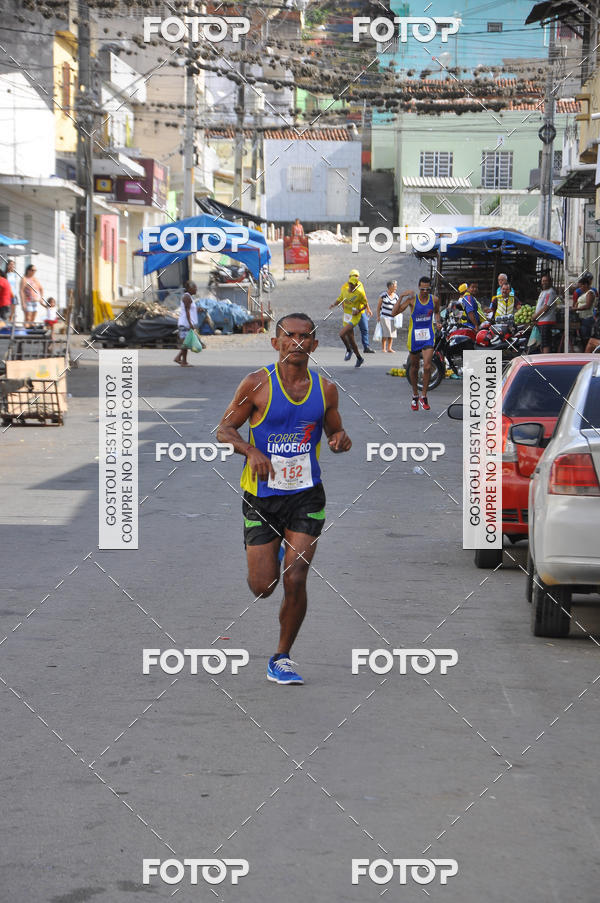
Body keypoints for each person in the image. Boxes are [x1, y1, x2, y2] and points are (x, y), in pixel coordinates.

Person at [216, 312, 352, 685]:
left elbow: (336, 431)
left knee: (297, 575)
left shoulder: (325, 390)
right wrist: (249, 450)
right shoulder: (257, 384)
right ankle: (274, 552)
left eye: (305, 336)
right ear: (275, 343)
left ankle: (282, 657)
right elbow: (224, 429)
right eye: (289, 336)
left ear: (315, 344)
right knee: (264, 587)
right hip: (262, 497)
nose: (297, 342)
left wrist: (340, 440)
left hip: (307, 495)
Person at [392, 275, 442, 411]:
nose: (425, 292)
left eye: (427, 289)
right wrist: (401, 296)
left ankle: (423, 396)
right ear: (419, 288)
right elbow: (393, 313)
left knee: (426, 367)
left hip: (428, 336)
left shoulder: (435, 300)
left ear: (430, 289)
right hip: (414, 337)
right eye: (423, 289)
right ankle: (415, 394)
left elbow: (437, 312)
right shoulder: (412, 301)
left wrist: (438, 322)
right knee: (414, 367)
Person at [329, 269, 369, 367]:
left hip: (355, 317)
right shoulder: (344, 290)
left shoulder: (359, 293)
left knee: (341, 334)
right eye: (349, 284)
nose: (350, 286)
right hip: (346, 316)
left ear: (355, 285)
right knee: (351, 340)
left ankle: (348, 350)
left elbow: (365, 304)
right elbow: (340, 298)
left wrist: (359, 311)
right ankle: (359, 358)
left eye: (352, 285)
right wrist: (334, 304)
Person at [174, 280, 199, 367]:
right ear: (189, 289)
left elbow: (191, 310)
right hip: (185, 324)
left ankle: (181, 359)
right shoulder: (186, 297)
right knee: (186, 343)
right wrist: (190, 324)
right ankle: (182, 360)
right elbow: (187, 312)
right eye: (194, 288)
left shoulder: (190, 297)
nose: (196, 290)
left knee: (186, 343)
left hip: (187, 323)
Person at [534, 274, 559, 354]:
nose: (544, 283)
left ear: (550, 282)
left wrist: (535, 316)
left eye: (546, 281)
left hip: (546, 321)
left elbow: (545, 308)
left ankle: (545, 359)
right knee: (542, 343)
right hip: (541, 321)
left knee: (545, 343)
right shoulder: (543, 292)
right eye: (542, 281)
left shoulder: (550, 292)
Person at [572, 273, 597, 346]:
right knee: (582, 336)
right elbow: (578, 302)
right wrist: (576, 305)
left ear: (586, 285)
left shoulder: (590, 293)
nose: (580, 288)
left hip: (587, 318)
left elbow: (588, 306)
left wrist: (576, 308)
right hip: (582, 318)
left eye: (581, 286)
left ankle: (587, 352)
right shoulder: (584, 293)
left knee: (586, 337)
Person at [377, 280, 399, 352]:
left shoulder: (396, 296)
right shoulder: (383, 295)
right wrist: (378, 316)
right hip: (384, 316)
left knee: (391, 333)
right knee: (386, 332)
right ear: (390, 286)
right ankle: (383, 348)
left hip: (393, 317)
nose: (396, 288)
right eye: (395, 286)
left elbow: (398, 306)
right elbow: (378, 307)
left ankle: (389, 348)